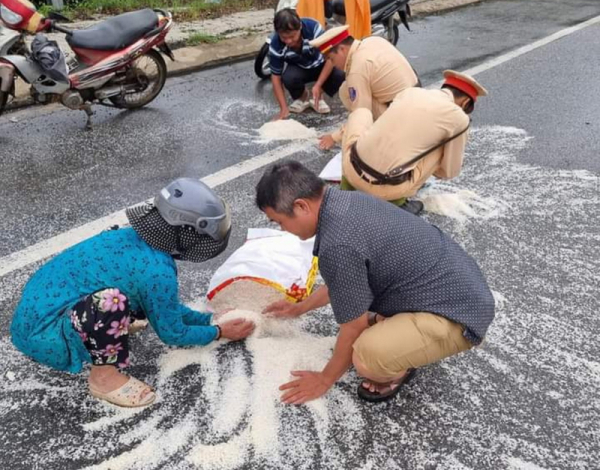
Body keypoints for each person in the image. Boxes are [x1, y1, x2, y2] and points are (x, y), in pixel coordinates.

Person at [256, 161, 495, 404]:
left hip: (458, 315)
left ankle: (398, 368)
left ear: (301, 206)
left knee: (367, 356)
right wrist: (299, 308)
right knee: (360, 318)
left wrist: (324, 379)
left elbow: (353, 327)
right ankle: (397, 328)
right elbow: (346, 280)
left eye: (279, 222)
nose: (283, 229)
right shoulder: (346, 202)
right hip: (459, 288)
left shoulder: (337, 243)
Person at [11, 178, 255, 408]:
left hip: (33, 320)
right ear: (187, 232)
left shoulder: (127, 237)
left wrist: (207, 319)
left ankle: (103, 329)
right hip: (48, 339)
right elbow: (172, 333)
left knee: (120, 293)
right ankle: (103, 379)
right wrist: (219, 332)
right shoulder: (157, 271)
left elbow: (161, 306)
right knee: (112, 301)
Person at [340, 70, 488, 215]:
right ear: (465, 102)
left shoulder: (410, 92)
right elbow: (449, 171)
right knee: (441, 148)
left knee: (362, 113)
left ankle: (347, 184)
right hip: (387, 190)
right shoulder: (460, 119)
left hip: (351, 170)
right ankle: (399, 202)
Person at [308, 26, 420, 150]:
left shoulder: (357, 68)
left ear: (342, 49)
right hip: (417, 97)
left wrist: (334, 137)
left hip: (404, 115)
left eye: (332, 59)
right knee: (347, 88)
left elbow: (361, 114)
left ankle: (385, 135)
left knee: (347, 93)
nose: (333, 65)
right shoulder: (372, 40)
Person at [269, 8, 345, 120]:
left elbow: (330, 58)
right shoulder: (276, 43)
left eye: (292, 36)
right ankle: (302, 97)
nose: (289, 41)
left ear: (299, 27)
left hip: (321, 64)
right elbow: (275, 77)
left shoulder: (313, 28)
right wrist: (283, 109)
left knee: (340, 73)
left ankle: (318, 97)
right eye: (284, 37)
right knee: (288, 78)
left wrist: (318, 85)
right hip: (299, 68)